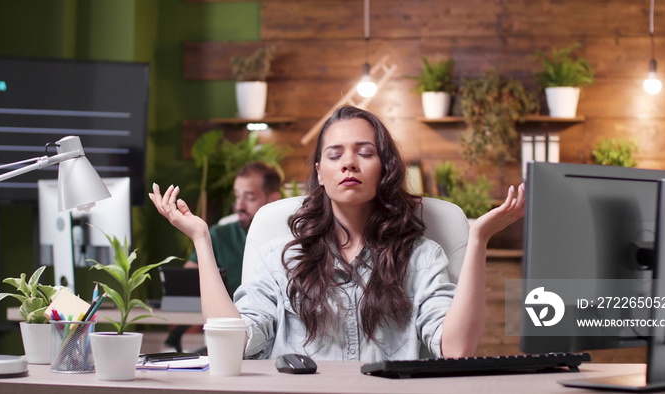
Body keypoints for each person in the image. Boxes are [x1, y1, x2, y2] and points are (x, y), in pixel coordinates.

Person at [150, 105, 525, 361]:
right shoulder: (282, 257)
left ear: (385, 167)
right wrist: (201, 239)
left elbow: (456, 348)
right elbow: (233, 345)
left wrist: (479, 240)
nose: (348, 162)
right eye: (335, 155)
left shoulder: (421, 256)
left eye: (365, 152)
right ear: (320, 172)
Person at [164, 161, 282, 352]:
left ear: (273, 199)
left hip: (273, 338)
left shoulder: (289, 238)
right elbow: (185, 284)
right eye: (237, 196)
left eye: (250, 197)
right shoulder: (220, 234)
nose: (239, 205)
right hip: (232, 332)